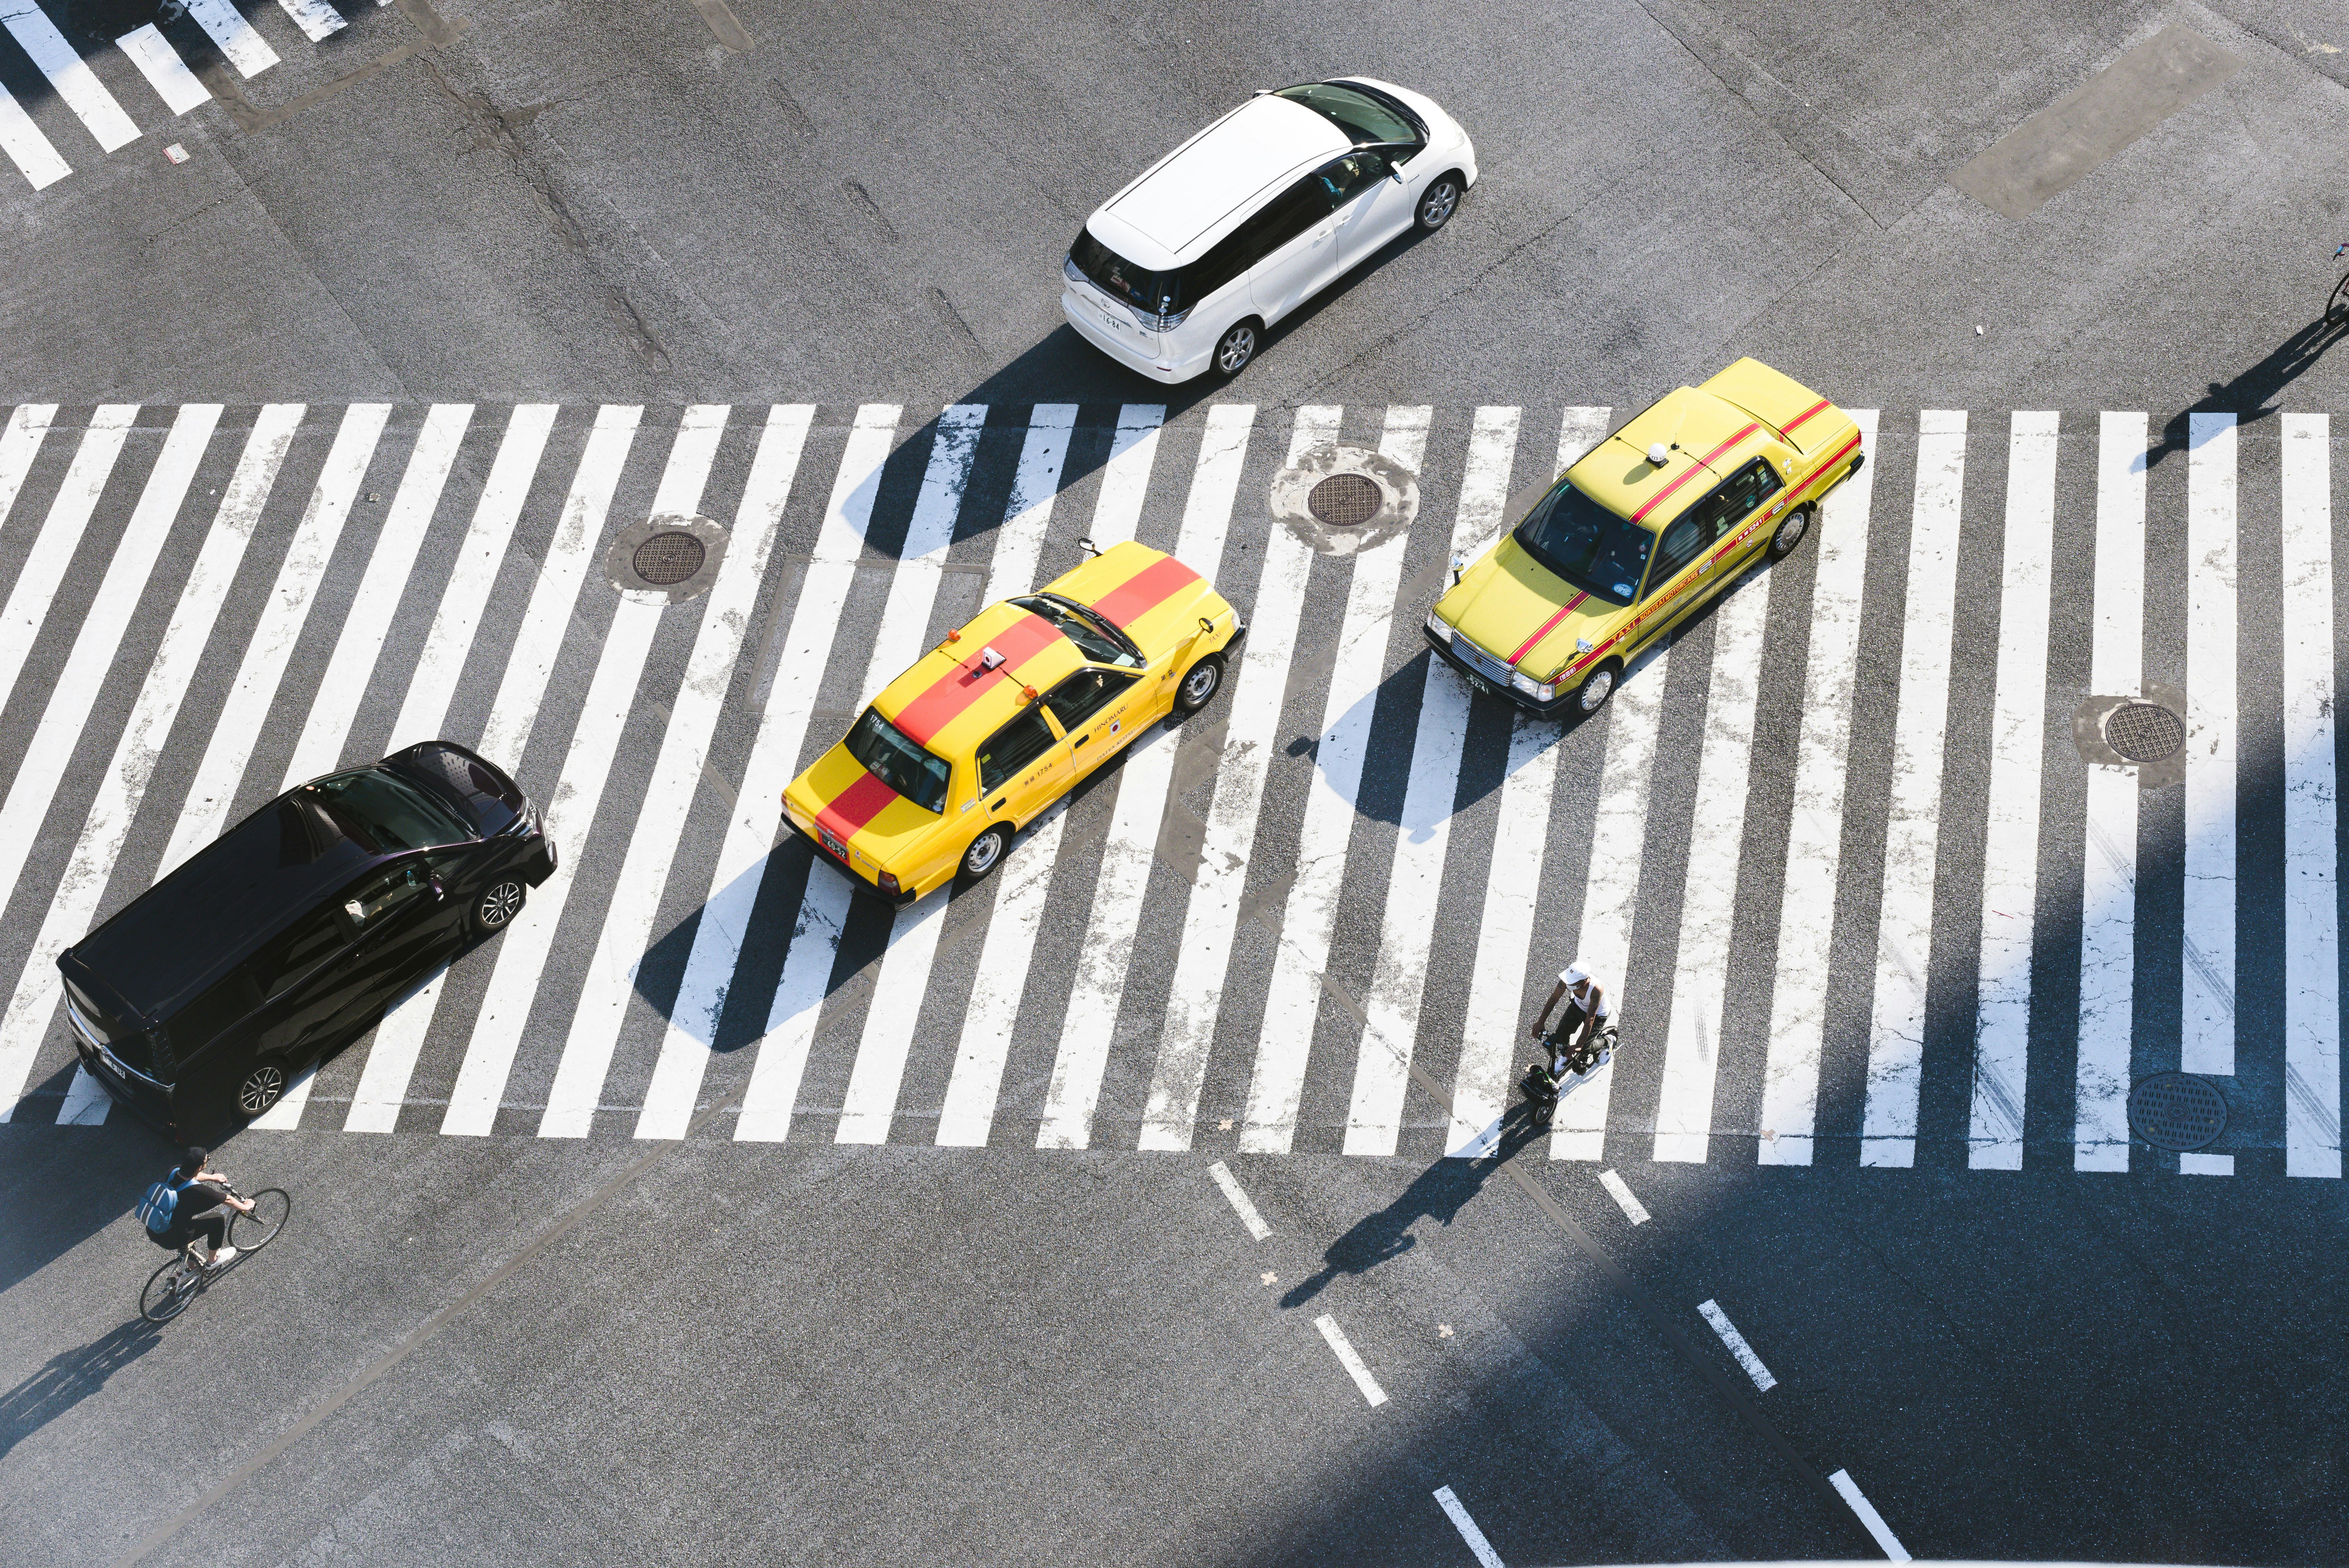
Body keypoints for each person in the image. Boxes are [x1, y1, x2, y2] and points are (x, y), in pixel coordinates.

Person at [153, 1146, 252, 1268]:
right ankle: (213, 1261)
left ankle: (192, 1265)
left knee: (182, 1222)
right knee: (218, 1220)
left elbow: (191, 1177)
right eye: (207, 1160)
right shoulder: (199, 1191)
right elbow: (227, 1199)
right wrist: (245, 1207)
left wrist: (213, 1178)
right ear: (200, 1167)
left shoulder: (174, 1171)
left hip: (155, 1226)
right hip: (171, 1238)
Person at [1528, 962, 1613, 1074]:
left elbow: (1590, 1019)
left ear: (1583, 982)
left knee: (1585, 1048)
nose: (1568, 985)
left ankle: (1607, 1042)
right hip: (1579, 1006)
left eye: (1571, 983)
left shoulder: (1596, 989)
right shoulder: (1568, 980)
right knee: (1561, 1035)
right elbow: (1554, 998)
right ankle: (1566, 1056)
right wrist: (1541, 1022)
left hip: (1598, 1015)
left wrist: (1579, 1045)